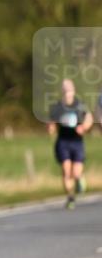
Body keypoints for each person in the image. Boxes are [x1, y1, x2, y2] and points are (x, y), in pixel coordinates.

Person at [48, 78, 93, 209]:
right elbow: (51, 122)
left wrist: (84, 127)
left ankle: (79, 180)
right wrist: (50, 128)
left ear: (73, 90)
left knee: (76, 172)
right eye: (65, 89)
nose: (67, 92)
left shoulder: (79, 105)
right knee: (66, 171)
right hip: (63, 141)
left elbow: (89, 118)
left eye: (69, 89)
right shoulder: (57, 107)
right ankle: (70, 197)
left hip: (77, 142)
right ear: (62, 91)